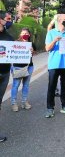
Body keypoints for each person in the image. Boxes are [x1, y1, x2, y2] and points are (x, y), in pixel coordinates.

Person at [44, 14, 65, 118]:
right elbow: (47, 48)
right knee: (51, 87)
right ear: (58, 21)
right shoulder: (51, 33)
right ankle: (50, 108)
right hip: (54, 64)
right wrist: (54, 40)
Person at [10, 28, 36, 111]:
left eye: (26, 33)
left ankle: (24, 101)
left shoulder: (31, 44)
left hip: (29, 67)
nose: (24, 34)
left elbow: (34, 54)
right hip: (17, 67)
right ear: (20, 34)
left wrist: (32, 51)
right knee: (15, 85)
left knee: (26, 85)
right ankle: (14, 103)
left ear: (29, 35)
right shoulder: (16, 43)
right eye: (23, 33)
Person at [0, 11, 14, 142]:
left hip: (4, 74)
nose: (10, 21)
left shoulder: (9, 38)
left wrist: (27, 50)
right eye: (8, 19)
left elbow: (14, 53)